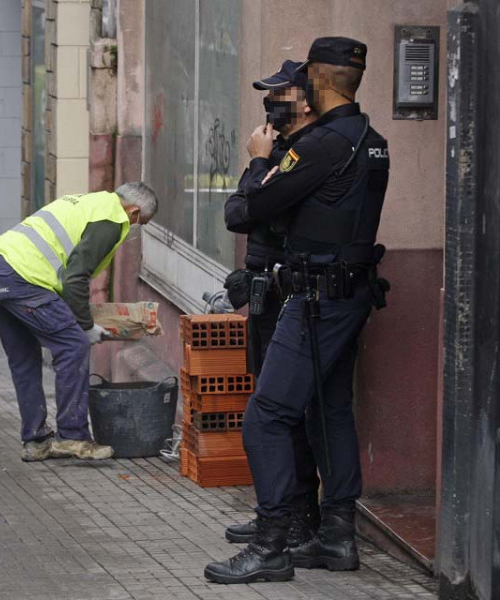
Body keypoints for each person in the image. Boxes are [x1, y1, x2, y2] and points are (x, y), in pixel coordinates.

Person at [205, 37, 390, 584]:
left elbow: (249, 210)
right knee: (327, 410)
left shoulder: (322, 146)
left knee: (267, 415)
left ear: (320, 80)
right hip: (346, 293)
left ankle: (272, 545)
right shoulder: (371, 141)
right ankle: (335, 535)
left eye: (304, 76)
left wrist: (258, 161)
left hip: (316, 299)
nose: (296, 88)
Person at [0, 183, 158, 462]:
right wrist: (85, 327)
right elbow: (75, 277)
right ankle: (72, 436)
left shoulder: (92, 202)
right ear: (133, 211)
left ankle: (36, 441)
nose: (135, 228)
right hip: (22, 278)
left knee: (24, 359)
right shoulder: (111, 219)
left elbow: (65, 271)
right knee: (73, 346)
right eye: (140, 222)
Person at [222, 60, 322, 553]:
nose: (270, 103)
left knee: (284, 411)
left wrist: (259, 163)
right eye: (268, 94)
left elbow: (246, 211)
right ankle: (277, 510)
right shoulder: (277, 150)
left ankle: (298, 519)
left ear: (304, 99)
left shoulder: (298, 157)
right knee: (268, 399)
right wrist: (260, 163)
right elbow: (235, 212)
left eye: (279, 93)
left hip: (289, 294)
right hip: (264, 292)